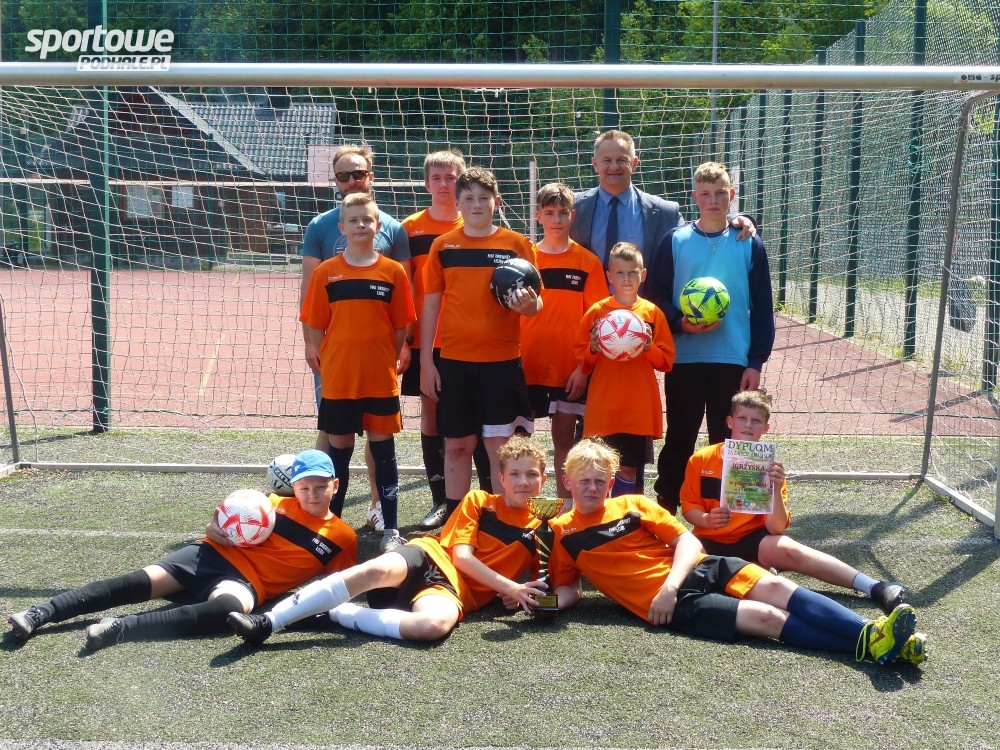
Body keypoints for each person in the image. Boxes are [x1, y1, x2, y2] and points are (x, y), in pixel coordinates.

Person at [548, 439, 927, 666]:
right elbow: (570, 589)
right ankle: (884, 645)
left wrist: (669, 586)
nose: (592, 488)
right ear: (567, 482)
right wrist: (539, 603)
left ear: (611, 483)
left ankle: (872, 634)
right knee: (766, 617)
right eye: (584, 481)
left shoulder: (634, 503)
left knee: (777, 589)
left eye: (600, 481)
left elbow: (688, 542)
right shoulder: (562, 533)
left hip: (697, 570)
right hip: (676, 607)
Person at [6, 449, 357, 651]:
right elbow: (221, 524)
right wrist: (214, 529)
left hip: (247, 584)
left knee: (225, 611)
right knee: (134, 583)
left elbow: (336, 587)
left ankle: (118, 629)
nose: (312, 495)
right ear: (293, 486)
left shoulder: (342, 537)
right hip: (208, 556)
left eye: (320, 487)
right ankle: (40, 613)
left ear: (335, 485)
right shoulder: (272, 503)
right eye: (304, 487)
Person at [228, 436, 551, 645]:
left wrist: (518, 596)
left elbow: (550, 585)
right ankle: (266, 622)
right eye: (515, 474)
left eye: (531, 475)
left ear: (544, 480)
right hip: (429, 556)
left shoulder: (548, 527)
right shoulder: (479, 500)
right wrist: (511, 588)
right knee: (374, 570)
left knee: (432, 627)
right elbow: (462, 557)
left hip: (454, 592)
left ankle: (336, 614)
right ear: (500, 478)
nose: (523, 482)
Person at [681, 389, 907, 615]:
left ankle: (875, 587)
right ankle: (756, 572)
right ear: (730, 422)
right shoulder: (701, 459)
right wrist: (706, 519)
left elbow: (776, 528)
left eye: (756, 421)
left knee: (789, 549)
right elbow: (690, 509)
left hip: (753, 541)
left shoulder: (771, 469)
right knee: (683, 564)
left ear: (766, 428)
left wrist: (775, 488)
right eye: (742, 418)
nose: (748, 425)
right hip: (709, 540)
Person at [646, 161, 776, 515]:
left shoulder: (749, 242)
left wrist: (755, 361)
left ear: (731, 194)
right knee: (680, 436)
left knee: (729, 439)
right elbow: (654, 295)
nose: (713, 200)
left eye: (720, 193)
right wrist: (680, 323)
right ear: (695, 197)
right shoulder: (675, 241)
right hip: (685, 357)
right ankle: (667, 507)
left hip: (733, 359)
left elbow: (763, 306)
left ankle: (735, 516)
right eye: (705, 194)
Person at [300, 144, 412, 536]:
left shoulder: (393, 271)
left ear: (378, 227)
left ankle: (390, 527)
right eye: (353, 221)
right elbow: (315, 322)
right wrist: (324, 354)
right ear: (342, 227)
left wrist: (388, 355)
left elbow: (400, 326)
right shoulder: (327, 271)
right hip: (339, 376)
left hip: (379, 377)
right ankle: (333, 531)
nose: (361, 226)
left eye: (367, 221)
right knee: (338, 452)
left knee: (383, 451)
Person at [419, 167, 542, 520]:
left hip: (502, 363)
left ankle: (504, 522)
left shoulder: (516, 245)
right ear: (457, 203)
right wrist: (427, 362)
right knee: (457, 446)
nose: (476, 204)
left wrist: (529, 307)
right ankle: (456, 521)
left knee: (500, 448)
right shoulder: (444, 246)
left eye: (484, 198)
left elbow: (537, 303)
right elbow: (431, 305)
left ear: (497, 202)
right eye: (469, 198)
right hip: (455, 363)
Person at [400, 150, 494, 529]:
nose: (443, 184)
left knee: (483, 421)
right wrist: (407, 338)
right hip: (426, 338)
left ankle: (487, 497)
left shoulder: (475, 222)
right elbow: (404, 285)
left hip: (471, 339)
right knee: (433, 414)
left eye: (450, 177)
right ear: (426, 184)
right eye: (436, 178)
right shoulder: (409, 228)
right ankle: (441, 499)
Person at [520, 182, 607, 499]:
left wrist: (583, 369)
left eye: (562, 213)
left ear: (572, 215)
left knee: (564, 442)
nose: (556, 219)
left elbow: (597, 323)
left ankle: (566, 508)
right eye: (549, 213)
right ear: (539, 216)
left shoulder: (587, 261)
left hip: (569, 370)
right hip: (526, 366)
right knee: (520, 446)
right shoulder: (525, 258)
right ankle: (521, 509)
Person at [574, 242, 674, 496]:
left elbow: (666, 361)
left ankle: (625, 517)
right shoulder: (597, 312)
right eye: (620, 273)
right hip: (603, 407)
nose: (626, 279)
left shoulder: (652, 313)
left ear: (643, 274)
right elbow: (581, 360)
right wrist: (593, 348)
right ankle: (600, 517)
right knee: (599, 468)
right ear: (609, 276)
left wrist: (648, 347)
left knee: (629, 469)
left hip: (637, 409)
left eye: (632, 273)